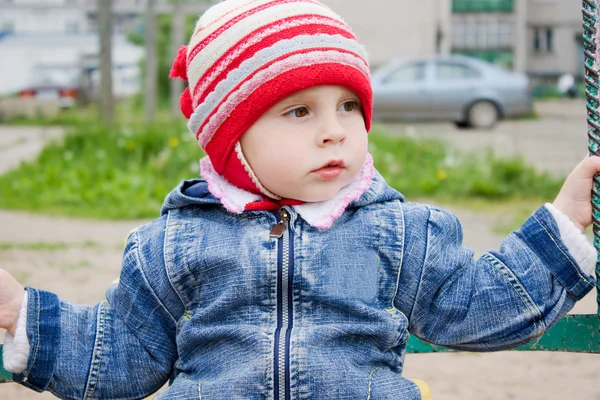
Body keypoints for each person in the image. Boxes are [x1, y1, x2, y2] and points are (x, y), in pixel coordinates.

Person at [0, 1, 597, 398]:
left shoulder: (398, 232)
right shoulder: (174, 245)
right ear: (231, 139)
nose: (334, 130)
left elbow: (477, 305)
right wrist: (26, 318)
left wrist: (562, 231)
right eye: (298, 111)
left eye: (348, 107)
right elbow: (124, 354)